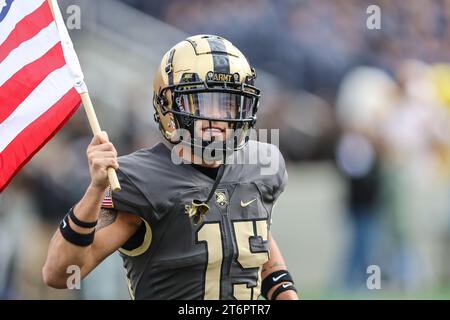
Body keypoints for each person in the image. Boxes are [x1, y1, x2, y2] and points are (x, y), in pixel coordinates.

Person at [42, 35, 298, 300]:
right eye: (200, 102)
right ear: (168, 107)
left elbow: (253, 238)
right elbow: (59, 273)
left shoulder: (261, 164)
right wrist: (96, 190)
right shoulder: (141, 181)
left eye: (227, 103)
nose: (217, 117)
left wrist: (286, 293)